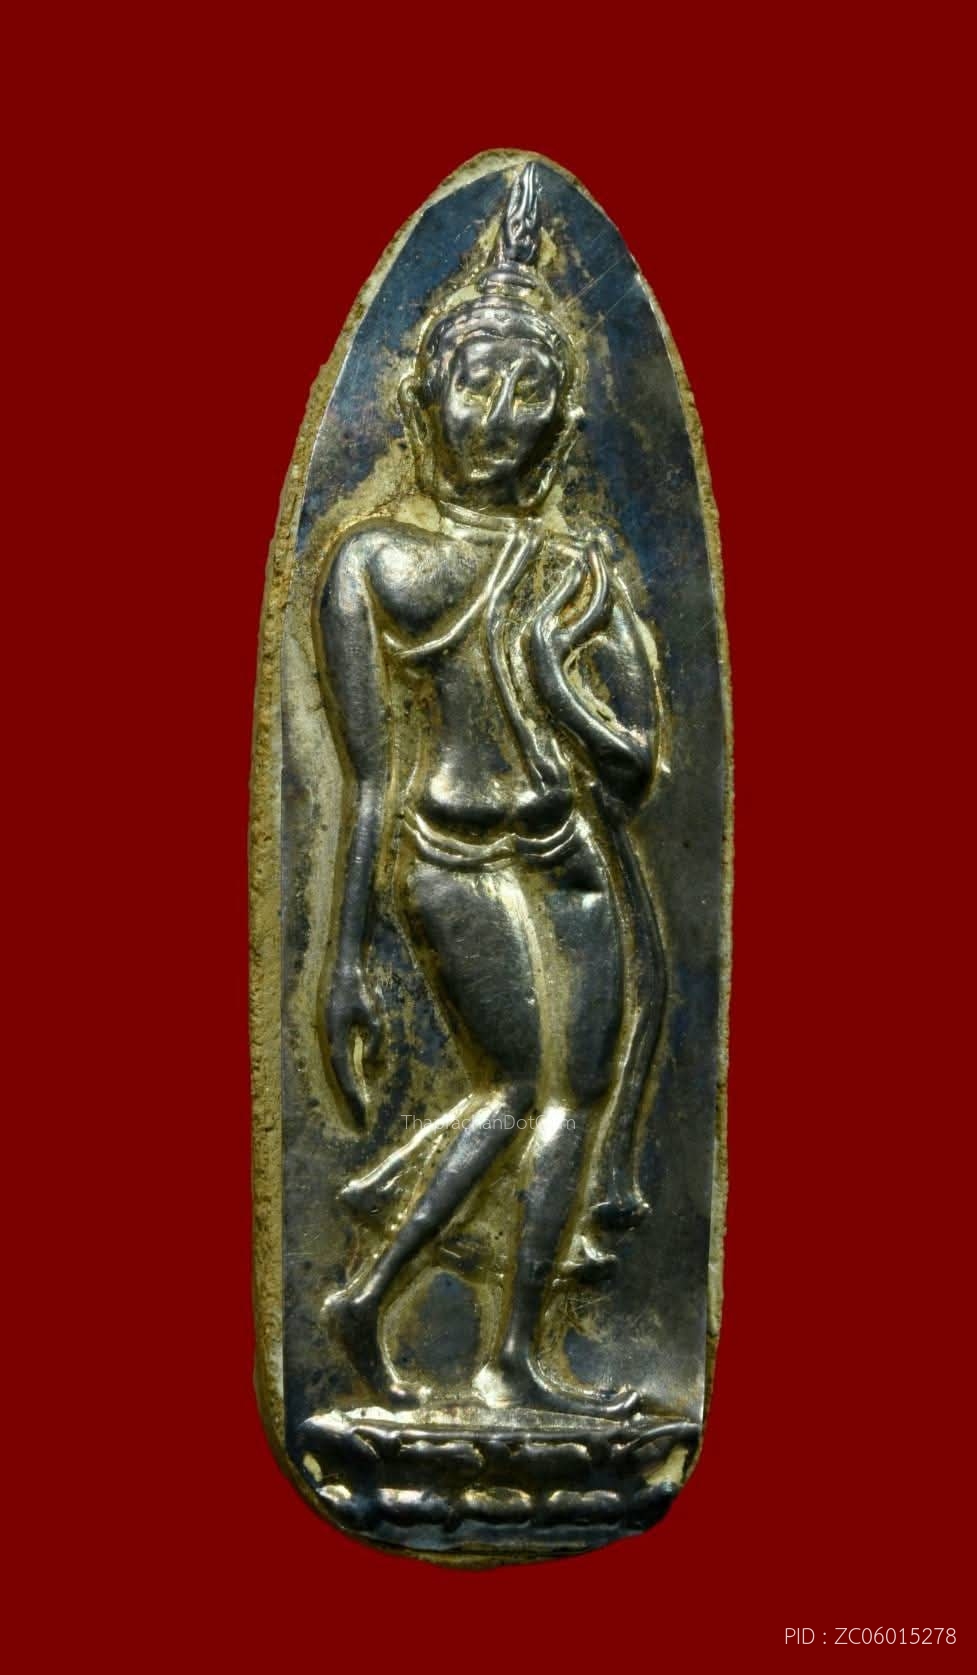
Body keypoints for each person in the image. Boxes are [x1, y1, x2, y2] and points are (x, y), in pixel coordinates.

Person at [315, 165, 665, 1415]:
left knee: (579, 1097)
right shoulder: (374, 560)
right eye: (476, 382)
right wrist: (344, 960)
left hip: (568, 851)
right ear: (426, 396)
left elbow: (635, 766)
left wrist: (560, 686)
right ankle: (366, 1297)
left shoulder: (577, 561)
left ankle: (510, 1357)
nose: (498, 417)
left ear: (558, 419)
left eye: (527, 391)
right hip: (448, 851)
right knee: (515, 1089)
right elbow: (365, 777)